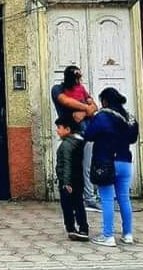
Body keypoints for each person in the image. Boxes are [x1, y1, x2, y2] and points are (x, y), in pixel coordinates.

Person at [84, 87, 139, 247]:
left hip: (106, 162)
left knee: (107, 200)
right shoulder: (129, 117)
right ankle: (127, 234)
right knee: (124, 198)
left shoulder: (102, 116)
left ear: (105, 101)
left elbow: (88, 135)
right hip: (125, 162)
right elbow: (133, 139)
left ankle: (108, 236)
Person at [51, 65, 100, 210]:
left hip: (87, 132)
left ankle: (89, 198)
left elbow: (94, 106)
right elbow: (66, 101)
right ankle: (74, 198)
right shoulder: (58, 89)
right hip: (71, 134)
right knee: (69, 167)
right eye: (77, 77)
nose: (79, 80)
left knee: (87, 166)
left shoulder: (82, 89)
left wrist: (84, 112)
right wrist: (86, 108)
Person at [55, 116, 89, 241]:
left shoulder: (66, 145)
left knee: (67, 206)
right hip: (78, 178)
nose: (57, 130)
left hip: (67, 181)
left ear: (68, 129)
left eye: (59, 127)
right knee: (79, 204)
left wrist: (66, 183)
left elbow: (67, 163)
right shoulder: (78, 141)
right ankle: (83, 228)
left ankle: (71, 228)